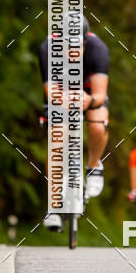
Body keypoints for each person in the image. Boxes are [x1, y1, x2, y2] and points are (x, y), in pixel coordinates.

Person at [39, 14, 109, 231]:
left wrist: (89, 101)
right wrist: (65, 101)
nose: (73, 52)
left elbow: (100, 94)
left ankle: (94, 166)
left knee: (98, 124)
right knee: (57, 137)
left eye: (78, 46)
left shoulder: (98, 49)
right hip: (60, 94)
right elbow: (50, 91)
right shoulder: (47, 48)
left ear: (85, 40)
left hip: (88, 93)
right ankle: (54, 205)